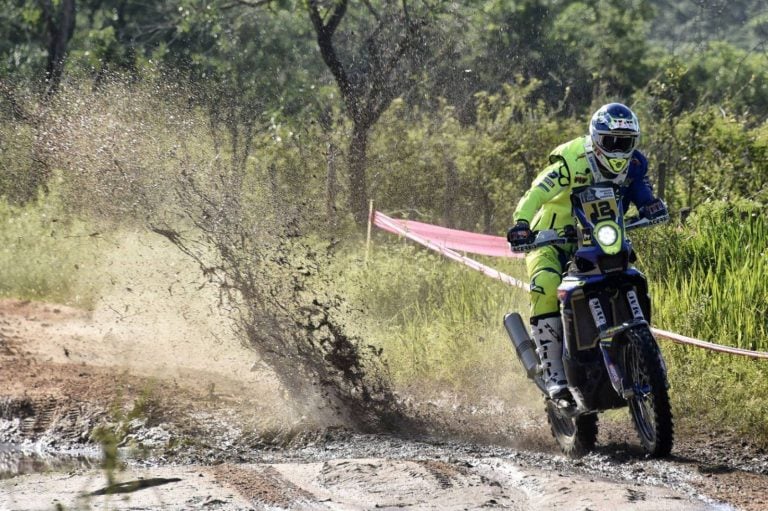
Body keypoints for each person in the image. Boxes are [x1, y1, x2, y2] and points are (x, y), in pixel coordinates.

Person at [506, 102, 667, 400]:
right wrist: (522, 223)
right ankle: (554, 373)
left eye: (626, 143)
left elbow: (640, 191)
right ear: (595, 139)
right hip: (552, 240)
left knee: (629, 274)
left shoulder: (633, 165)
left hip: (600, 239)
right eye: (611, 142)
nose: (619, 150)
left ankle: (639, 352)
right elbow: (537, 191)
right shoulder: (573, 162)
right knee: (545, 285)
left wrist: (650, 205)